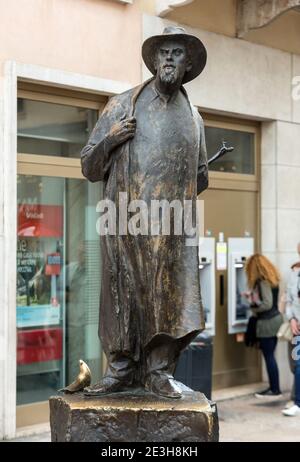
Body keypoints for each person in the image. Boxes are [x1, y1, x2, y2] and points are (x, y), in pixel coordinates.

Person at [80, 26, 209, 399]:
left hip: (171, 225)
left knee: (172, 298)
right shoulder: (122, 105)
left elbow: (200, 178)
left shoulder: (194, 118)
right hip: (125, 221)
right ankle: (120, 369)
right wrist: (111, 138)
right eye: (164, 52)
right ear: (153, 60)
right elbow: (89, 166)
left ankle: (158, 371)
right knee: (124, 294)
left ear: (188, 65)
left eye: (177, 53)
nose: (169, 58)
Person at [245, 254, 283, 398]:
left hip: (267, 323)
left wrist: (252, 306)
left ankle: (274, 389)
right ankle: (274, 388)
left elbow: (266, 304)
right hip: (275, 319)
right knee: (270, 355)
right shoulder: (272, 280)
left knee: (269, 356)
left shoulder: (262, 282)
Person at [282, 243, 300, 417]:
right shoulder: (294, 274)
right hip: (297, 328)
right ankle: (297, 402)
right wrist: (292, 319)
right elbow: (288, 300)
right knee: (297, 364)